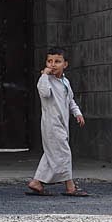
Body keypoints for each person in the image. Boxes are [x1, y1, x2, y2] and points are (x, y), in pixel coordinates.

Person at [26, 46, 88, 197]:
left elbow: (70, 100)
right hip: (51, 124)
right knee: (64, 153)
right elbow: (45, 93)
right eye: (49, 61)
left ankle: (36, 182)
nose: (53, 65)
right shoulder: (45, 80)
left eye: (57, 61)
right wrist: (45, 76)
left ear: (65, 64)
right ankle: (70, 186)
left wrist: (77, 113)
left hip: (62, 122)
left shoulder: (65, 82)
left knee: (51, 154)